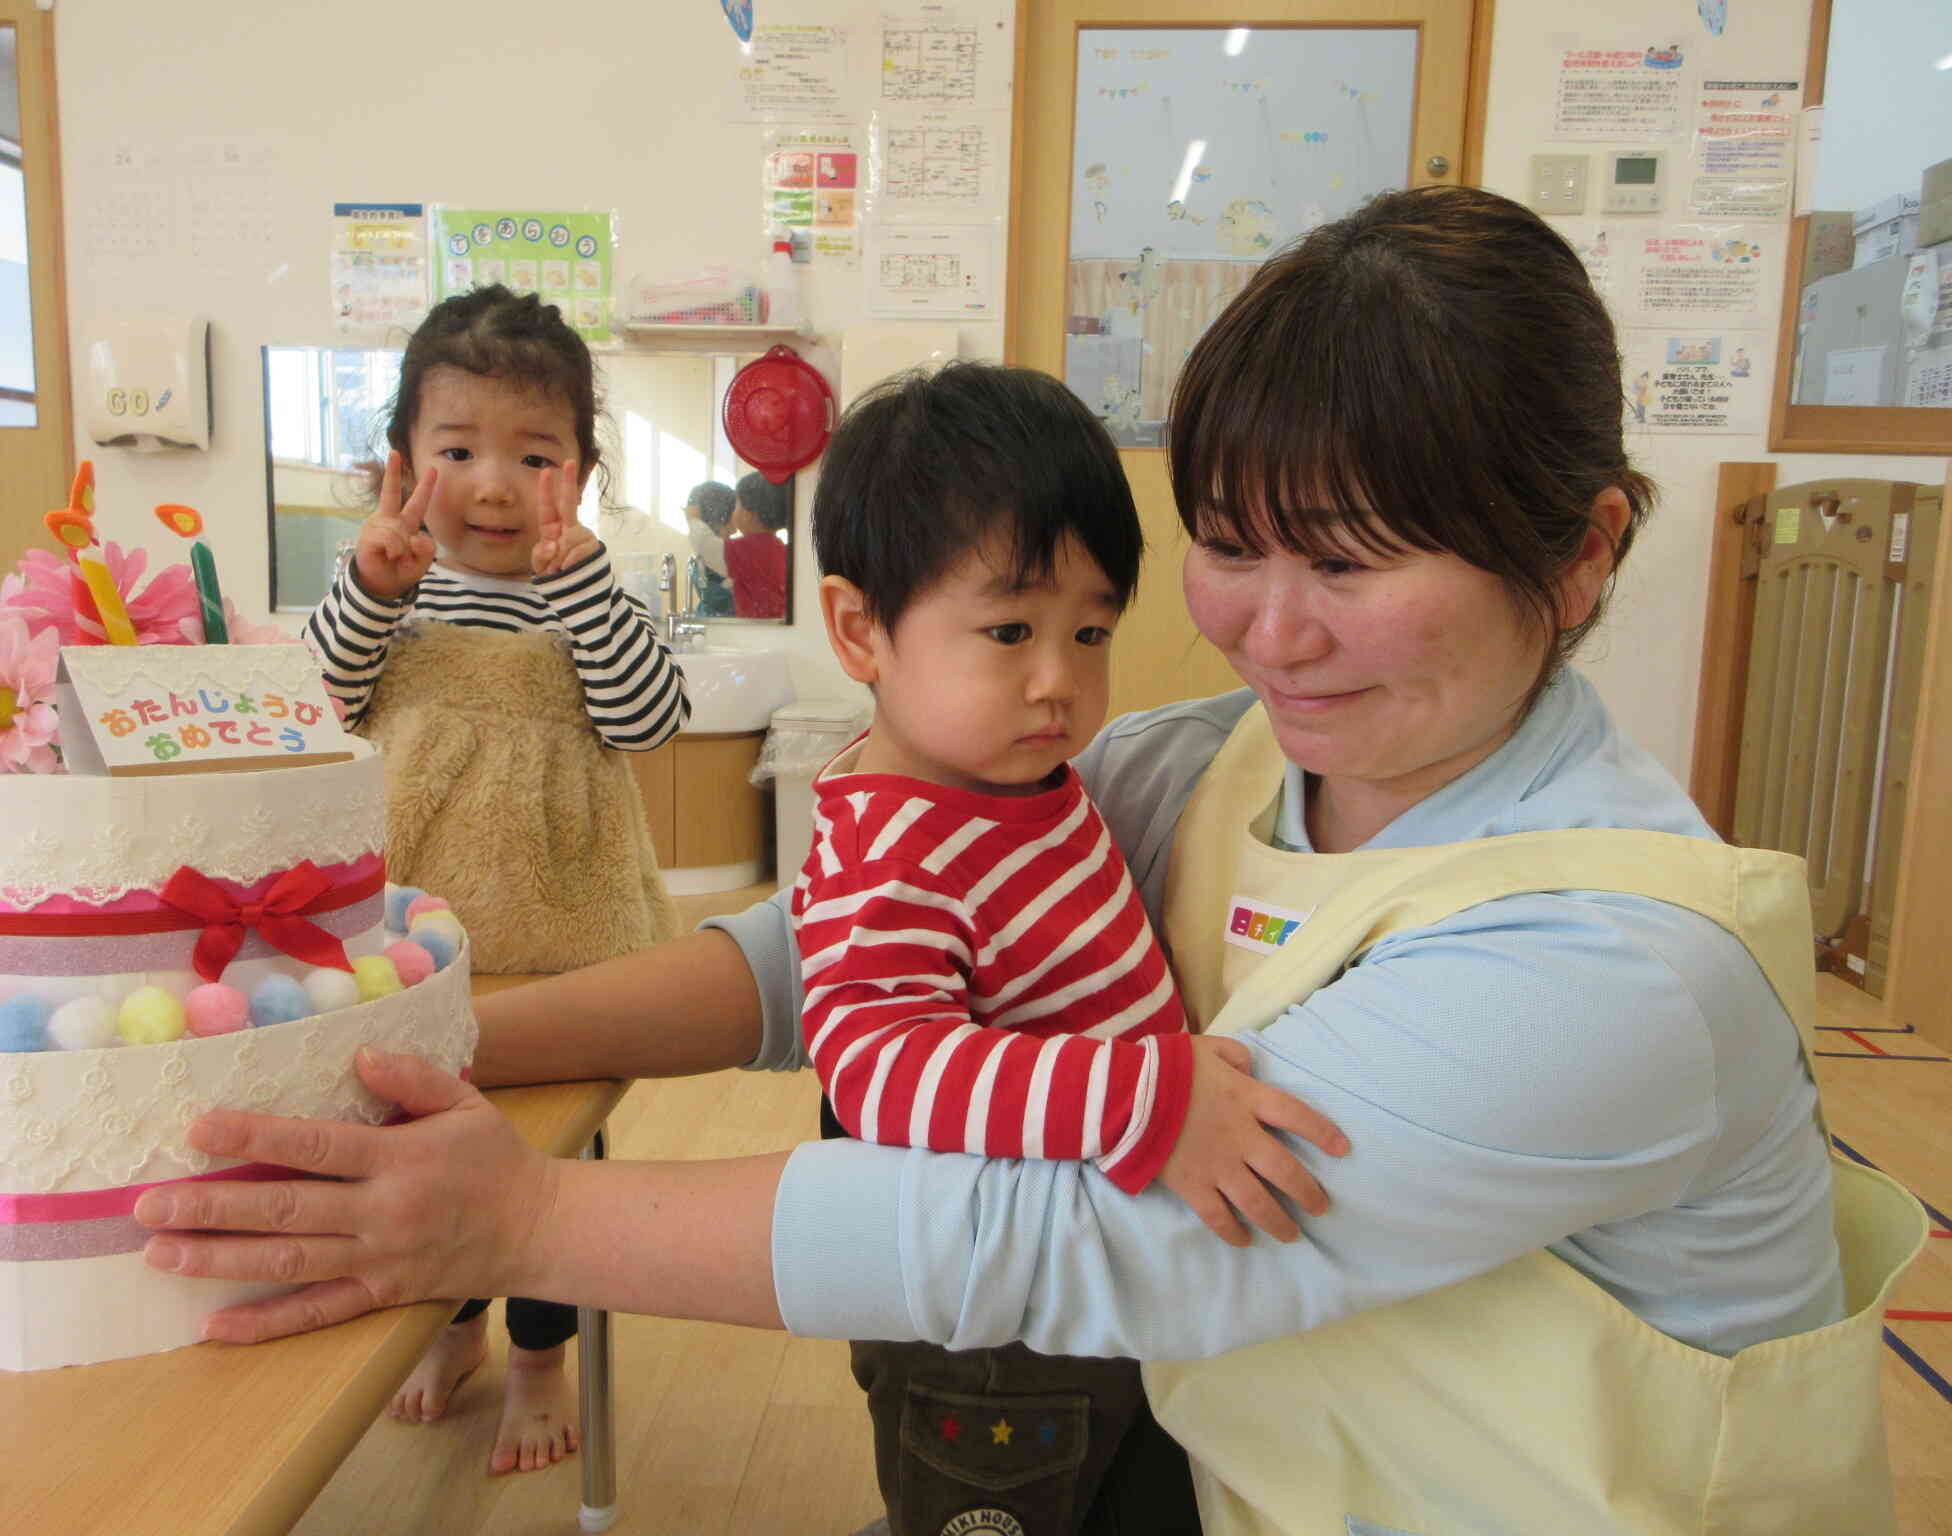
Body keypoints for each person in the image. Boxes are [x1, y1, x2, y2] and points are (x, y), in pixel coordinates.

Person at [142, 189, 1926, 1534]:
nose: (1274, 638)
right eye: (1231, 549)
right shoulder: (1208, 762)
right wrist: (464, 1039)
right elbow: (814, 950)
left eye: (1357, 563)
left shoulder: (1616, 960)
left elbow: (1090, 1235)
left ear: (1585, 549)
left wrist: (525, 1216)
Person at [795, 362, 1347, 1534]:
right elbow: (879, 1070)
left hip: (1091, 1288)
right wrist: (1147, 1100)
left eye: (1089, 630)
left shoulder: (1008, 777)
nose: (1058, 682)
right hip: (988, 1341)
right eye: (1007, 630)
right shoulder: (893, 845)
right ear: (859, 629)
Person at [303, 284, 688, 1477]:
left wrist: (581, 585)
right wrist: (370, 585)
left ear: (581, 467)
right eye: (456, 448)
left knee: (552, 1164)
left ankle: (539, 1353)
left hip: (564, 928)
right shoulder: (387, 583)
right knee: (420, 1138)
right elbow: (320, 708)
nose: (489, 485)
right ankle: (454, 1321)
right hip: (417, 930)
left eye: (534, 455)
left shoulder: (595, 598)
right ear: (401, 460)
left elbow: (648, 718)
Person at [724, 469, 790, 618]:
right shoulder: (780, 547)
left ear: (748, 515)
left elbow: (704, 545)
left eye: (736, 504)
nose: (733, 512)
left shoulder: (744, 548)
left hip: (755, 628)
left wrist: (693, 518)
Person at [684, 480, 738, 617]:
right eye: (732, 517)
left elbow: (703, 541)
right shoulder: (705, 559)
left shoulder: (733, 555)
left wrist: (692, 518)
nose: (735, 529)